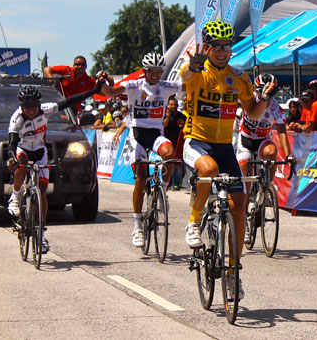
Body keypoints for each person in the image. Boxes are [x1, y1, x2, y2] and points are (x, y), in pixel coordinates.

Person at [180, 20, 272, 299]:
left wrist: (265, 99)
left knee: (239, 206)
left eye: (227, 45)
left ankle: (233, 271)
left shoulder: (238, 77)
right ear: (206, 47)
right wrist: (193, 66)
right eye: (217, 46)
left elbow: (253, 113)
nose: (223, 51)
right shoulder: (198, 72)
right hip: (196, 142)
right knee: (209, 169)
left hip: (224, 148)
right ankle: (194, 221)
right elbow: (185, 76)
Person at [7, 77, 108, 253]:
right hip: (23, 149)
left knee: (43, 193)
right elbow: (12, 142)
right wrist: (11, 158)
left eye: (34, 106)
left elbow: (69, 101)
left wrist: (93, 91)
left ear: (39, 104)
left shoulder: (45, 110)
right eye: (27, 107)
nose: (31, 110)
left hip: (40, 151)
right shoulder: (17, 118)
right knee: (21, 164)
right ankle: (15, 198)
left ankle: (40, 234)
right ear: (21, 106)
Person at [100, 52, 184, 247]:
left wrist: (197, 69)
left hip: (155, 133)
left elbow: (190, 86)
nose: (155, 75)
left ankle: (163, 190)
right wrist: (102, 83)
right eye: (151, 71)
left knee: (169, 154)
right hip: (136, 134)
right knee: (140, 178)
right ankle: (137, 224)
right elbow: (111, 92)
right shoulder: (134, 85)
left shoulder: (165, 86)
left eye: (158, 71)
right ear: (145, 71)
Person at [236, 73, 295, 243]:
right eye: (264, 89)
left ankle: (266, 185)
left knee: (271, 152)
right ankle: (246, 219)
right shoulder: (248, 99)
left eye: (271, 90)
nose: (268, 93)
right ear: (256, 89)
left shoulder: (275, 107)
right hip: (245, 141)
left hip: (262, 141)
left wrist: (289, 155)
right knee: (245, 170)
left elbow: (282, 131)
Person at [43, 56, 114, 114]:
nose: (80, 67)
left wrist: (110, 84)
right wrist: (51, 79)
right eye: (77, 64)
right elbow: (46, 69)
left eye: (82, 65)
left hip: (72, 111)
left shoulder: (90, 81)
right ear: (73, 65)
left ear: (86, 66)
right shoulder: (66, 70)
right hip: (58, 105)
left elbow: (106, 94)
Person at [163, 97, 187, 191]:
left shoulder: (182, 116)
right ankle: (168, 183)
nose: (173, 106)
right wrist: (168, 117)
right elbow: (163, 126)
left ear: (177, 106)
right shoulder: (165, 115)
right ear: (168, 106)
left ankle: (176, 184)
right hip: (167, 143)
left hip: (178, 143)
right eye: (171, 104)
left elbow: (186, 127)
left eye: (174, 105)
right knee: (168, 163)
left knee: (177, 163)